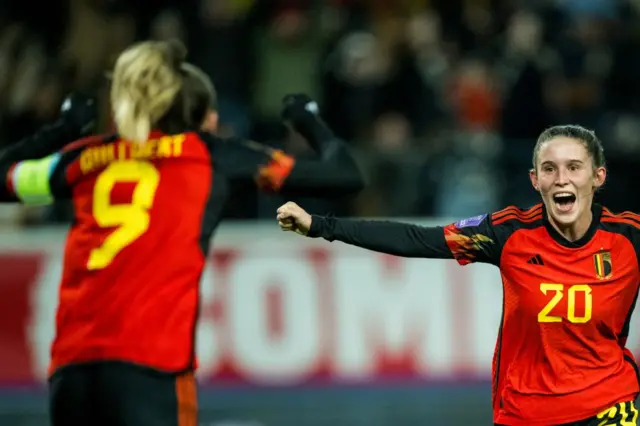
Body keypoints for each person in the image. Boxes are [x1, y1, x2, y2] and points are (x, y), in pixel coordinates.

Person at [0, 40, 363, 426]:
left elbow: (5, 178)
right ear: (201, 116)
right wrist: (309, 121)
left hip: (72, 372)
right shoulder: (211, 155)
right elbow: (344, 175)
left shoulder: (83, 158)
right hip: (152, 367)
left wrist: (63, 129)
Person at [276, 124, 640, 426]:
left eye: (574, 167)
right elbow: (419, 239)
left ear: (598, 177)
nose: (562, 179)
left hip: (611, 404)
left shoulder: (629, 239)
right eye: (549, 169)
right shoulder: (508, 233)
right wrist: (320, 225)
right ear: (534, 180)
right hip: (528, 411)